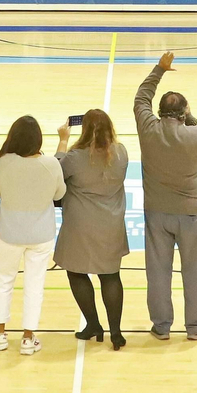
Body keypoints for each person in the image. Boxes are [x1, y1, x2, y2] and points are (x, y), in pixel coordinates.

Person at [133, 50, 197, 340]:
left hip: (157, 211)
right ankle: (195, 327)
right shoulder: (194, 135)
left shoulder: (148, 129)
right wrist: (191, 116)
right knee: (194, 271)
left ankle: (161, 326)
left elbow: (140, 98)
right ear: (183, 113)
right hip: (191, 213)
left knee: (157, 272)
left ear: (159, 112)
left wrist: (159, 69)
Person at [0, 116, 65, 355]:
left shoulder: (4, 162)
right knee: (35, 284)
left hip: (10, 232)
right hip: (41, 233)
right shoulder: (51, 164)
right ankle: (28, 338)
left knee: (3, 281)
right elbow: (60, 193)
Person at [55, 109, 130, 350]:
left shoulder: (75, 157)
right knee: (111, 276)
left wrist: (63, 141)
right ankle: (116, 333)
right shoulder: (121, 153)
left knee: (77, 273)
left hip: (80, 225)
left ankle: (93, 324)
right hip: (111, 224)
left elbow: (55, 175)